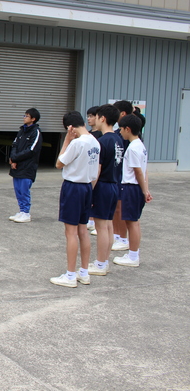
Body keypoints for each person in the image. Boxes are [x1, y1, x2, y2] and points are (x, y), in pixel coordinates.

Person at [50, 111, 100, 288]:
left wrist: (66, 140)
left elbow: (59, 163)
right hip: (87, 187)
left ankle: (70, 275)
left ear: (70, 127)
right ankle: (84, 272)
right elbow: (95, 172)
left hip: (73, 187)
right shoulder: (95, 142)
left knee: (70, 232)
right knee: (83, 231)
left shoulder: (77, 143)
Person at [88, 104, 124, 277]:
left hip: (103, 186)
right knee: (108, 225)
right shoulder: (118, 139)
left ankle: (101, 264)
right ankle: (104, 261)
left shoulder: (102, 141)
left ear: (102, 118)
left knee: (102, 227)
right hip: (114, 185)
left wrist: (91, 190)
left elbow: (97, 169)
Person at [113, 114, 152, 268]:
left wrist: (144, 191)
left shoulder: (133, 148)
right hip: (136, 188)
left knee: (132, 223)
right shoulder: (140, 146)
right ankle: (133, 253)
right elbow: (144, 170)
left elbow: (139, 172)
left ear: (128, 129)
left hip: (131, 187)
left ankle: (133, 255)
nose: (120, 132)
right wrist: (145, 189)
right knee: (134, 222)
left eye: (121, 129)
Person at [8, 108, 43, 223]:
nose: (24, 117)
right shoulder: (21, 131)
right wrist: (12, 159)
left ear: (33, 119)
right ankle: (21, 211)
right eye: (24, 115)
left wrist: (15, 158)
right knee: (18, 190)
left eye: (27, 116)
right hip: (17, 165)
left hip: (27, 166)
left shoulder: (36, 132)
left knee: (24, 190)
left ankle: (26, 213)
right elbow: (14, 145)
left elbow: (31, 150)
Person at [111, 100, 134, 250]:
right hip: (117, 175)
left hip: (124, 177)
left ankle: (123, 238)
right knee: (116, 207)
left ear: (123, 114)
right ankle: (116, 235)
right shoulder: (118, 133)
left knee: (121, 208)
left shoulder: (128, 135)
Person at [85, 105, 103, 234]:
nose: (89, 119)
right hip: (88, 168)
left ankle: (97, 223)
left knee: (98, 196)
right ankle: (90, 220)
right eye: (88, 116)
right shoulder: (88, 134)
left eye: (91, 116)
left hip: (99, 169)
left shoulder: (101, 135)